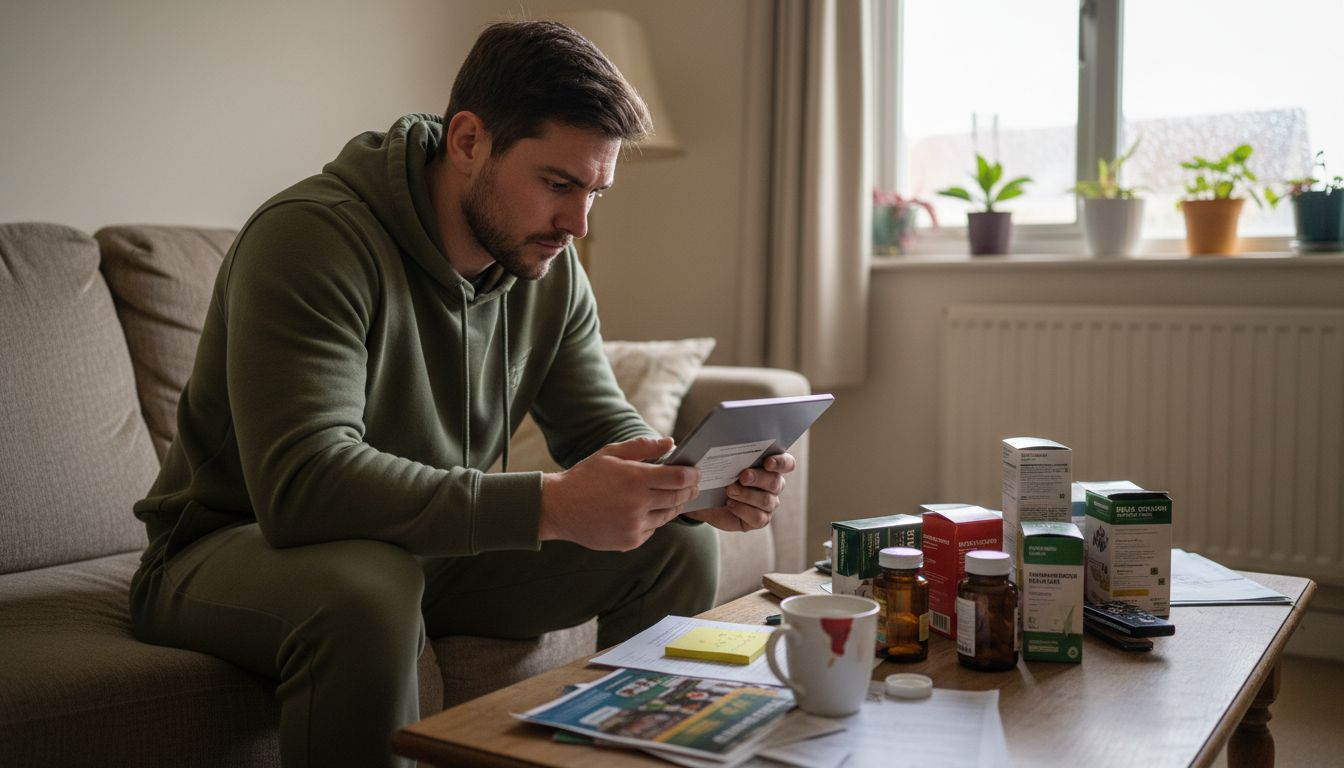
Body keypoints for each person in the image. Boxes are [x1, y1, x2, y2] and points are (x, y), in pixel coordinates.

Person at [128, 20, 796, 768]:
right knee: (367, 588)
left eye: (595, 191)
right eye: (557, 184)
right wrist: (548, 504)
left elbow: (598, 424)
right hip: (234, 549)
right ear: (470, 140)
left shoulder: (546, 265)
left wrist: (689, 482)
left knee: (673, 544)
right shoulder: (310, 239)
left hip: (430, 548)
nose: (577, 223)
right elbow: (301, 485)